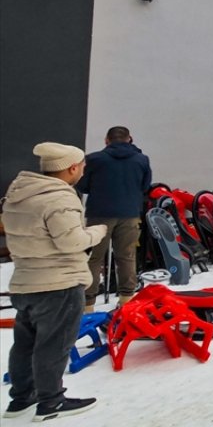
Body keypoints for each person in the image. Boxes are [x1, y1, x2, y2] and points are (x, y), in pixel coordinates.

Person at [3, 143, 107, 421]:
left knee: (24, 344)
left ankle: (21, 399)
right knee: (54, 345)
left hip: (26, 282)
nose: (83, 171)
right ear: (72, 168)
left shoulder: (19, 193)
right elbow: (71, 241)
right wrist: (97, 232)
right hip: (58, 284)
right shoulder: (59, 198)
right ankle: (51, 403)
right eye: (82, 167)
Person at [78, 126, 151, 310]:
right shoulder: (141, 159)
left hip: (99, 214)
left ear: (106, 140)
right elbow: (145, 186)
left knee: (95, 257)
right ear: (130, 139)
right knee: (126, 256)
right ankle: (126, 298)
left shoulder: (94, 159)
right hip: (130, 214)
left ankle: (88, 303)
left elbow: (82, 184)